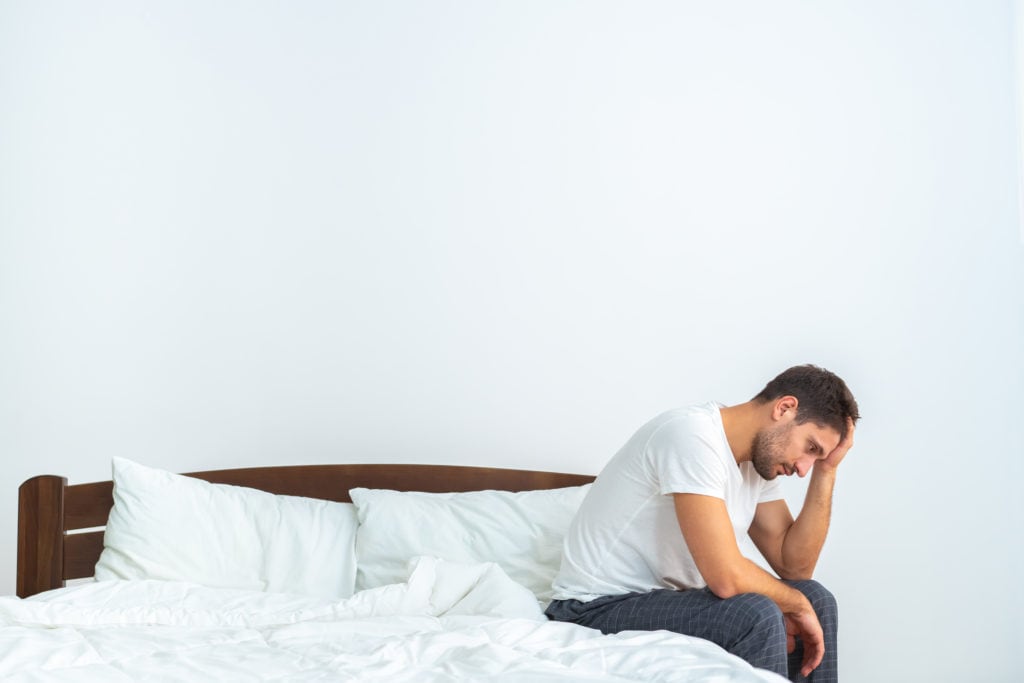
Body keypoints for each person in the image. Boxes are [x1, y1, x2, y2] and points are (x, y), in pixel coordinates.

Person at [546, 365, 859, 682]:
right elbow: (725, 577)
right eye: (811, 448)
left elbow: (795, 567)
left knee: (816, 599)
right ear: (784, 408)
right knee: (756, 614)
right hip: (591, 608)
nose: (803, 468)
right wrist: (795, 605)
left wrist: (827, 471)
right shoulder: (692, 435)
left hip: (666, 601)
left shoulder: (758, 464)